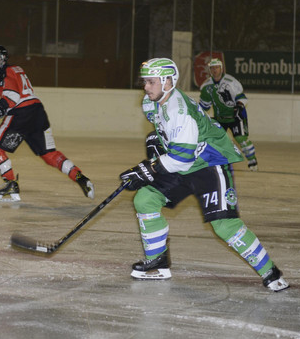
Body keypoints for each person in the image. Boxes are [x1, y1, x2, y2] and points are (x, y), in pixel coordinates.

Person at [118, 57, 288, 291]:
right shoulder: (152, 101)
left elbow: (182, 157)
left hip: (209, 163)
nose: (145, 87)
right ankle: (158, 263)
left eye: (151, 82)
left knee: (224, 225)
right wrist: (156, 141)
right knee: (145, 199)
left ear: (167, 82)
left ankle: (270, 271)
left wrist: (150, 168)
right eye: (145, 82)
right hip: (185, 163)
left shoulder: (178, 110)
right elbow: (166, 135)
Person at [0, 44, 94, 202]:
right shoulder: (17, 69)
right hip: (38, 112)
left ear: (3, 58)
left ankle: (11, 184)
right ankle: (80, 177)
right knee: (49, 154)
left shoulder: (3, 72)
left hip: (21, 114)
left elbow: (12, 96)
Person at [198, 57, 258, 170]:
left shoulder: (231, 82)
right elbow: (204, 105)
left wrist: (239, 106)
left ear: (221, 68)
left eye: (217, 67)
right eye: (212, 68)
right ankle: (217, 164)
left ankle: (252, 161)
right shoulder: (206, 86)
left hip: (236, 116)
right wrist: (198, 114)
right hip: (220, 118)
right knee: (215, 141)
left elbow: (242, 98)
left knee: (241, 139)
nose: (215, 70)